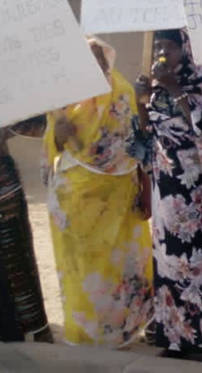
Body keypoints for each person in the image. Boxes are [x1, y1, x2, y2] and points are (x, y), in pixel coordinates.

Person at [127, 28, 202, 364]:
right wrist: (140, 102)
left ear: (185, 50)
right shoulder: (151, 86)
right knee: (169, 265)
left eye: (169, 46)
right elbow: (143, 142)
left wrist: (176, 91)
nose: (162, 52)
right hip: (167, 190)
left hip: (200, 191)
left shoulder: (201, 82)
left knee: (201, 265)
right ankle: (176, 339)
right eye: (157, 46)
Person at [42, 37, 153, 348]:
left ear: (108, 59)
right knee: (82, 268)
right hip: (75, 201)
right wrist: (58, 138)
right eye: (87, 58)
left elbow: (137, 143)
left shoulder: (122, 92)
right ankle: (84, 335)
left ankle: (121, 333)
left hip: (119, 198)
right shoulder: (64, 97)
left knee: (120, 265)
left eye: (99, 58)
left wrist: (145, 186)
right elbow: (50, 145)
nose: (96, 65)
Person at [0, 113, 53, 344]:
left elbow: (37, 124)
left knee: (18, 263)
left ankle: (36, 328)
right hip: (3, 191)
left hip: (4, 193)